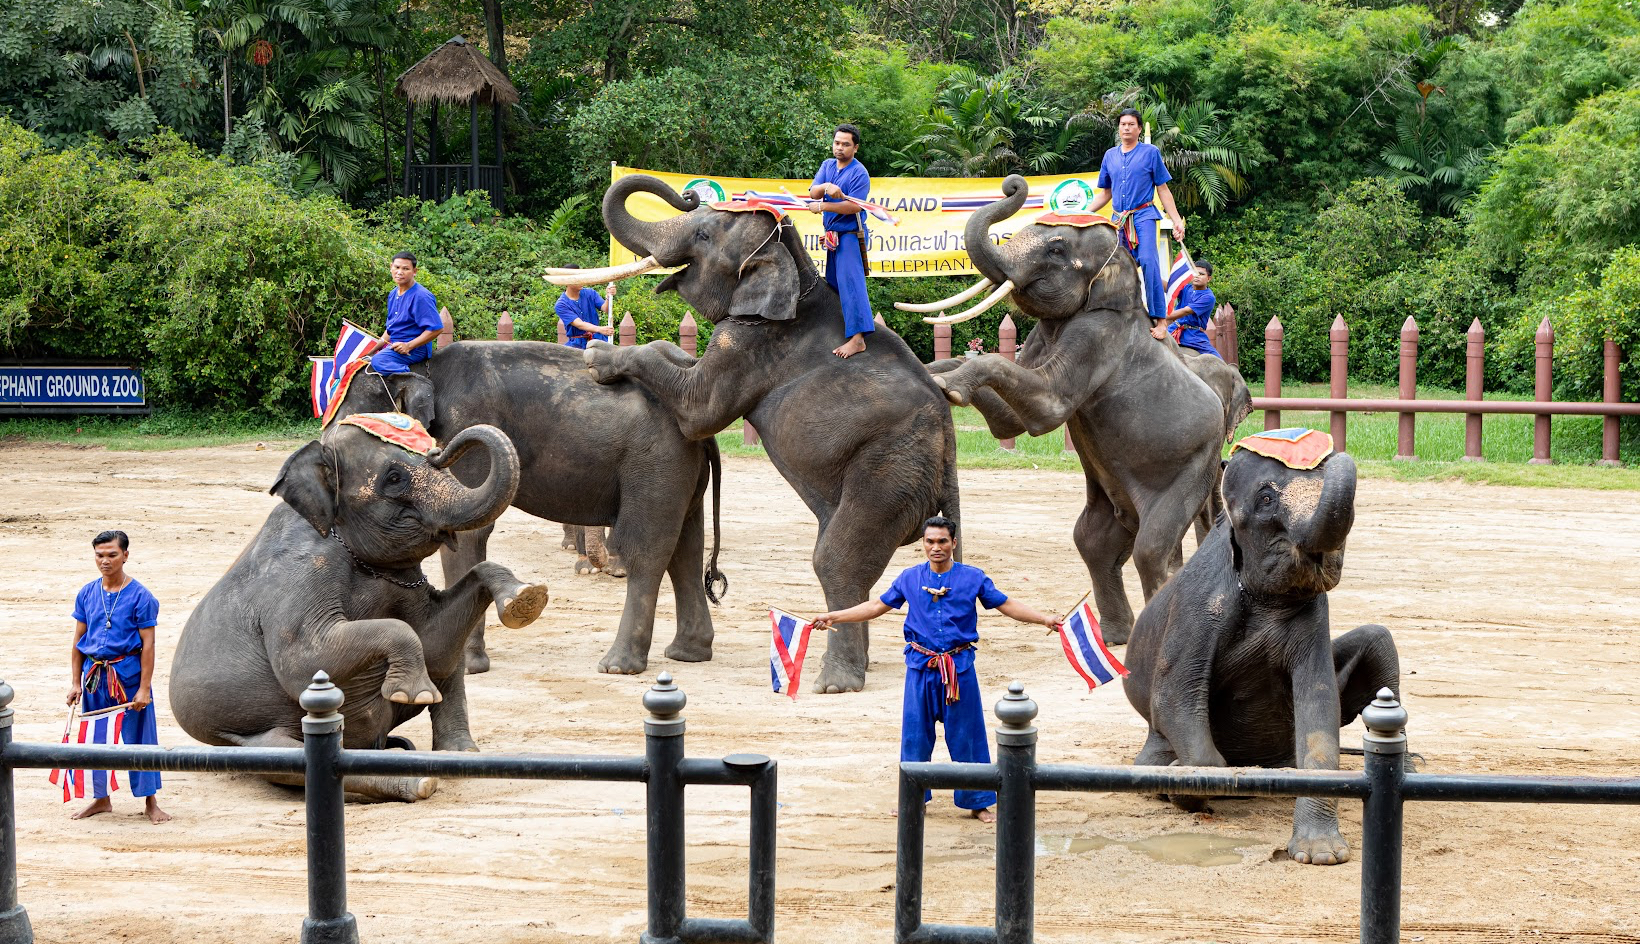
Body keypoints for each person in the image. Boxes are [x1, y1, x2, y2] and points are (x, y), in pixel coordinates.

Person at [813, 516, 1061, 823]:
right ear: (923, 544)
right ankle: (914, 799)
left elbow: (1006, 604)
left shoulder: (973, 577)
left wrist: (1044, 619)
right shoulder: (909, 578)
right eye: (930, 541)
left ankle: (977, 802)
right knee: (915, 736)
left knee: (968, 736)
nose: (936, 547)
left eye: (942, 541)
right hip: (920, 668)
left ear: (953, 543)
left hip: (959, 669)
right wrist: (835, 616)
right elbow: (876, 606)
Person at [67, 530, 170, 824]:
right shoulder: (87, 593)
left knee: (141, 739)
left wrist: (144, 689)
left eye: (112, 555)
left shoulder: (142, 596)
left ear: (125, 555)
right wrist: (75, 683)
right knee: (96, 738)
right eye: (100, 555)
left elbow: (148, 646)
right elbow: (78, 641)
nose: (105, 561)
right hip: (94, 677)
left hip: (128, 677)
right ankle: (101, 799)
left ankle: (150, 802)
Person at [1087, 109, 1187, 338]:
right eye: (1123, 124)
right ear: (1118, 128)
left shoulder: (1150, 153)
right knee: (1112, 266)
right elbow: (1106, 193)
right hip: (1118, 220)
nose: (1126, 128)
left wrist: (1175, 220)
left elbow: (1163, 189)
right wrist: (1081, 213)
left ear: (1139, 129)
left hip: (1144, 216)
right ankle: (1115, 315)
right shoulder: (1110, 156)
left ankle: (1160, 319)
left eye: (1131, 124)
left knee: (1149, 261)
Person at [808, 124, 874, 359]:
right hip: (833, 236)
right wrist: (826, 187)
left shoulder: (859, 173)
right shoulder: (827, 165)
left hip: (850, 236)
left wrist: (823, 206)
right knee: (834, 283)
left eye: (846, 144)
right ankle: (839, 331)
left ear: (855, 148)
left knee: (851, 283)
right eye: (837, 143)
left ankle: (858, 339)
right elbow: (813, 192)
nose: (840, 148)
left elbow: (855, 206)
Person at [370, 251, 444, 374]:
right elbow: (390, 329)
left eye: (405, 269)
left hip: (416, 349)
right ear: (391, 267)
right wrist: (372, 349)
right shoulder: (393, 294)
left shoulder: (421, 296)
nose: (400, 272)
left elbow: (437, 329)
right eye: (397, 267)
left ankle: (411, 380)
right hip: (394, 345)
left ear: (414, 271)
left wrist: (408, 345)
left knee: (379, 361)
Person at [1152, 260, 1220, 357]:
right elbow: (1169, 288)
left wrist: (1159, 316)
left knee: (1218, 361)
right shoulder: (1187, 288)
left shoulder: (1208, 297)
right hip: (1174, 330)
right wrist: (1153, 274)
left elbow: (1185, 311)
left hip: (1194, 336)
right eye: (1195, 273)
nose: (1197, 276)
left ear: (1209, 278)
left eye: (1201, 274)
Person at [553, 265, 616, 349]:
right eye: (577, 278)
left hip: (598, 341)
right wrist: (600, 329)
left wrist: (608, 297)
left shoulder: (590, 293)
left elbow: (606, 309)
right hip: (577, 345)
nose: (581, 280)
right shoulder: (561, 304)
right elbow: (579, 324)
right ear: (567, 281)